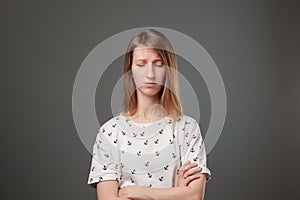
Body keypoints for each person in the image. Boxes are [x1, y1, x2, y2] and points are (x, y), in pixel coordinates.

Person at [87, 29, 211, 200]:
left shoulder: (187, 129)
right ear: (130, 70)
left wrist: (132, 192)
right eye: (141, 64)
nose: (150, 74)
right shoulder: (109, 133)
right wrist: (176, 194)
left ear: (168, 70)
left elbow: (194, 196)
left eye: (158, 64)